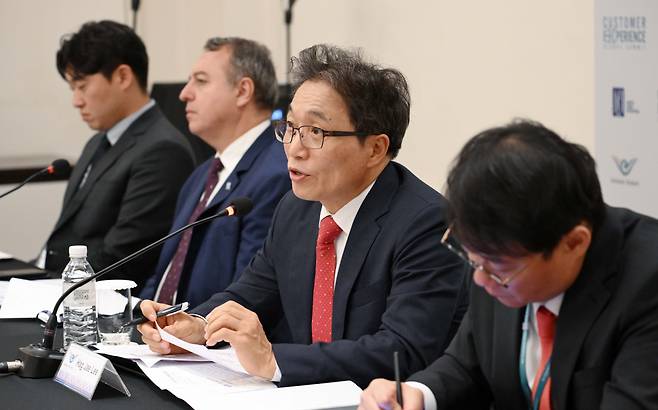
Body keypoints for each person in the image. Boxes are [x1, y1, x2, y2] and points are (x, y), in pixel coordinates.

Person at [137, 44, 469, 388]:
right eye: (291, 128)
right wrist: (197, 324)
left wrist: (272, 359)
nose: (294, 148)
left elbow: (402, 351)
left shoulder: (425, 222)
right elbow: (249, 294)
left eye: (316, 132)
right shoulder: (295, 210)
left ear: (375, 149)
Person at [359, 120, 658, 410]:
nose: (480, 278)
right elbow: (466, 365)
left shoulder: (647, 283)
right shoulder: (492, 258)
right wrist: (417, 395)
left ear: (574, 243)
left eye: (496, 266)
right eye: (473, 258)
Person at [39, 20, 194, 288]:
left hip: (97, 302)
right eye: (72, 89)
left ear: (123, 76)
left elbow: (122, 259)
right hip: (55, 286)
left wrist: (45, 287)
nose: (76, 100)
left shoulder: (163, 150)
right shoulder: (97, 142)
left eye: (82, 86)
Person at [140, 37, 290, 308]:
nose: (184, 93)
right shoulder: (199, 177)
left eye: (200, 80)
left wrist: (187, 327)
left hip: (207, 340)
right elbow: (164, 272)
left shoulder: (276, 175)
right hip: (160, 337)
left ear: (243, 91)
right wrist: (141, 315)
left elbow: (250, 294)